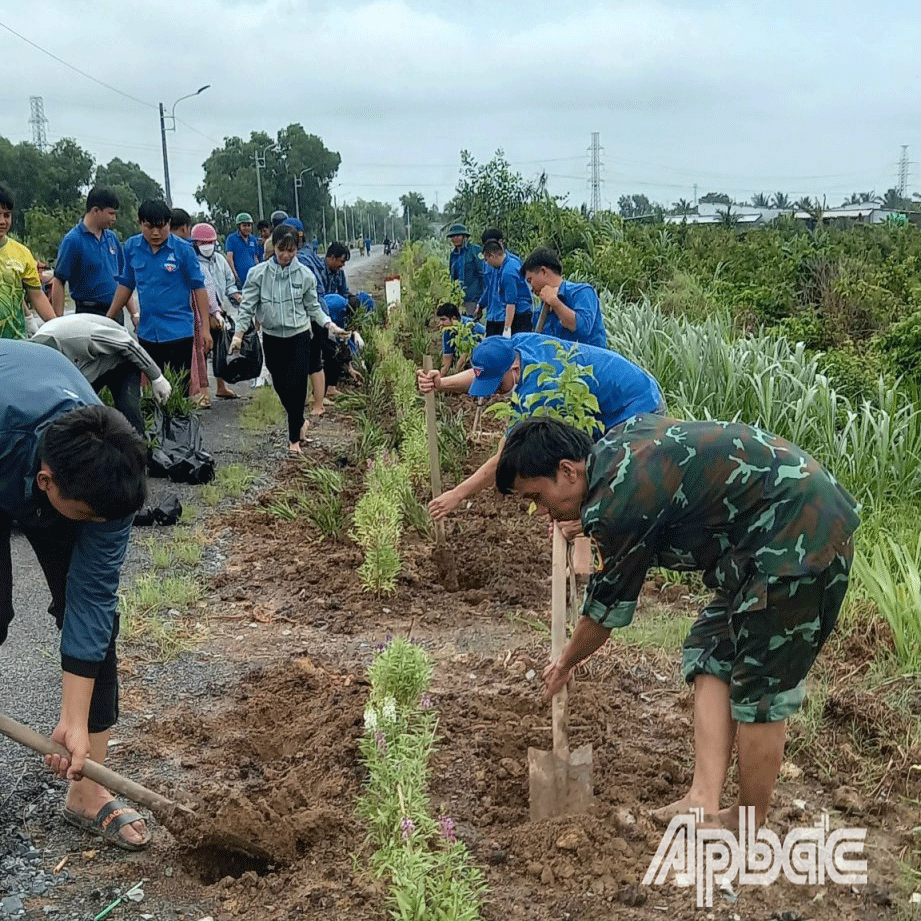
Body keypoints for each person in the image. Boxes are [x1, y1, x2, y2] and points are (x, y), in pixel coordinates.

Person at [496, 415, 860, 829]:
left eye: (539, 497)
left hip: (797, 537)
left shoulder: (617, 505)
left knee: (760, 686)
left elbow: (603, 613)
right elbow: (656, 498)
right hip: (763, 538)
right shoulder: (614, 450)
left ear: (566, 470)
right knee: (711, 650)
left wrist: (564, 662)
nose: (543, 512)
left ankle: (746, 821)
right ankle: (701, 799)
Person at [0, 338, 150, 849]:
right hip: (6, 438)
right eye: (87, 515)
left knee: (96, 620)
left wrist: (74, 721)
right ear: (46, 482)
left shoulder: (111, 473)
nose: (98, 527)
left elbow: (91, 598)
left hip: (46, 446)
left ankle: (86, 794)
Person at [417, 333, 663, 519]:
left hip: (637, 406)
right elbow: (486, 370)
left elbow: (504, 457)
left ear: (514, 370)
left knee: (605, 484)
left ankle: (595, 557)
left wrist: (458, 494)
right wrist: (442, 383)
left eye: (498, 386)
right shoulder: (516, 347)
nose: (495, 394)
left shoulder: (540, 391)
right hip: (618, 397)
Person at [232, 224, 347, 453]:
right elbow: (247, 307)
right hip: (273, 337)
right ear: (273, 246)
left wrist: (329, 324)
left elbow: (313, 307)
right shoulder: (258, 274)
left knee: (296, 385)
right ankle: (300, 420)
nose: (285, 256)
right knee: (279, 383)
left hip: (299, 336)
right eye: (281, 249)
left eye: (291, 251)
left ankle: (294, 439)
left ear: (297, 249)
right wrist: (238, 333)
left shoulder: (305, 275)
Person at [106, 200, 211, 394]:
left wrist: (205, 328)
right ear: (140, 224)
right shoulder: (131, 247)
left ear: (169, 224)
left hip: (178, 333)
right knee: (153, 393)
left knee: (178, 393)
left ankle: (178, 425)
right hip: (147, 333)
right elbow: (126, 285)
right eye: (149, 227)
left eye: (161, 227)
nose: (155, 233)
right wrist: (108, 318)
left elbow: (199, 288)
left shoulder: (183, 250)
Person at [32, 314, 172, 435]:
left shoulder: (80, 336)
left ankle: (139, 456)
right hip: (94, 361)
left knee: (128, 411)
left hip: (123, 356)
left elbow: (127, 344)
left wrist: (156, 377)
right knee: (79, 410)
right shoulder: (38, 347)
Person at [51, 188, 125, 318]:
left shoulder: (112, 238)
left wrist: (134, 314)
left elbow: (124, 279)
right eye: (111, 213)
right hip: (89, 312)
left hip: (115, 311)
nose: (114, 218)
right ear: (96, 210)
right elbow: (59, 280)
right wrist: (58, 319)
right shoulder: (73, 240)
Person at [190, 222, 242, 401]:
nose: (207, 247)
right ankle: (202, 391)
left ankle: (221, 386)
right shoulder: (193, 262)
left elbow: (229, 283)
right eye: (202, 243)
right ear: (195, 244)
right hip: (200, 313)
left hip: (221, 312)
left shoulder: (220, 260)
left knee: (221, 349)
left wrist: (236, 296)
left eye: (209, 242)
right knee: (202, 351)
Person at [520, 247, 607, 348]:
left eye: (530, 280)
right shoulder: (539, 311)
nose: (531, 288)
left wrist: (555, 303)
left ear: (543, 271)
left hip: (589, 362)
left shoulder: (582, 292)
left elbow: (583, 328)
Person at [0, 185, 55, 338]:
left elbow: (37, 296)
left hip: (15, 342)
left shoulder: (22, 254)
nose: (2, 221)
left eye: (6, 215)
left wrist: (57, 328)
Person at [481, 240, 533, 337]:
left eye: (486, 259)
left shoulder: (507, 273)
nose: (487, 263)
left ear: (492, 256)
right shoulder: (510, 262)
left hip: (519, 316)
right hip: (518, 313)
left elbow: (511, 303)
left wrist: (507, 329)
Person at [446, 222, 485, 317]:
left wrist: (483, 297)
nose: (455, 238)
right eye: (453, 236)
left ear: (464, 236)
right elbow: (452, 276)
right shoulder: (453, 255)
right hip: (458, 298)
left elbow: (482, 273)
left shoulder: (475, 250)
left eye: (458, 236)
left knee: (473, 323)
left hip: (473, 296)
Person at [436, 302, 485, 374]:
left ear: (454, 318)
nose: (440, 323)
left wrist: (455, 375)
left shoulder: (467, 327)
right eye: (440, 320)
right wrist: (440, 379)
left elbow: (464, 356)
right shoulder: (447, 330)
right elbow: (447, 359)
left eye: (443, 320)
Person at [224, 212, 262, 284]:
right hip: (239, 278)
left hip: (252, 277)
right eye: (244, 225)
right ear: (239, 226)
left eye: (249, 225)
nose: (247, 228)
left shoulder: (253, 239)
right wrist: (235, 275)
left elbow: (255, 258)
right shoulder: (231, 239)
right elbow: (229, 258)